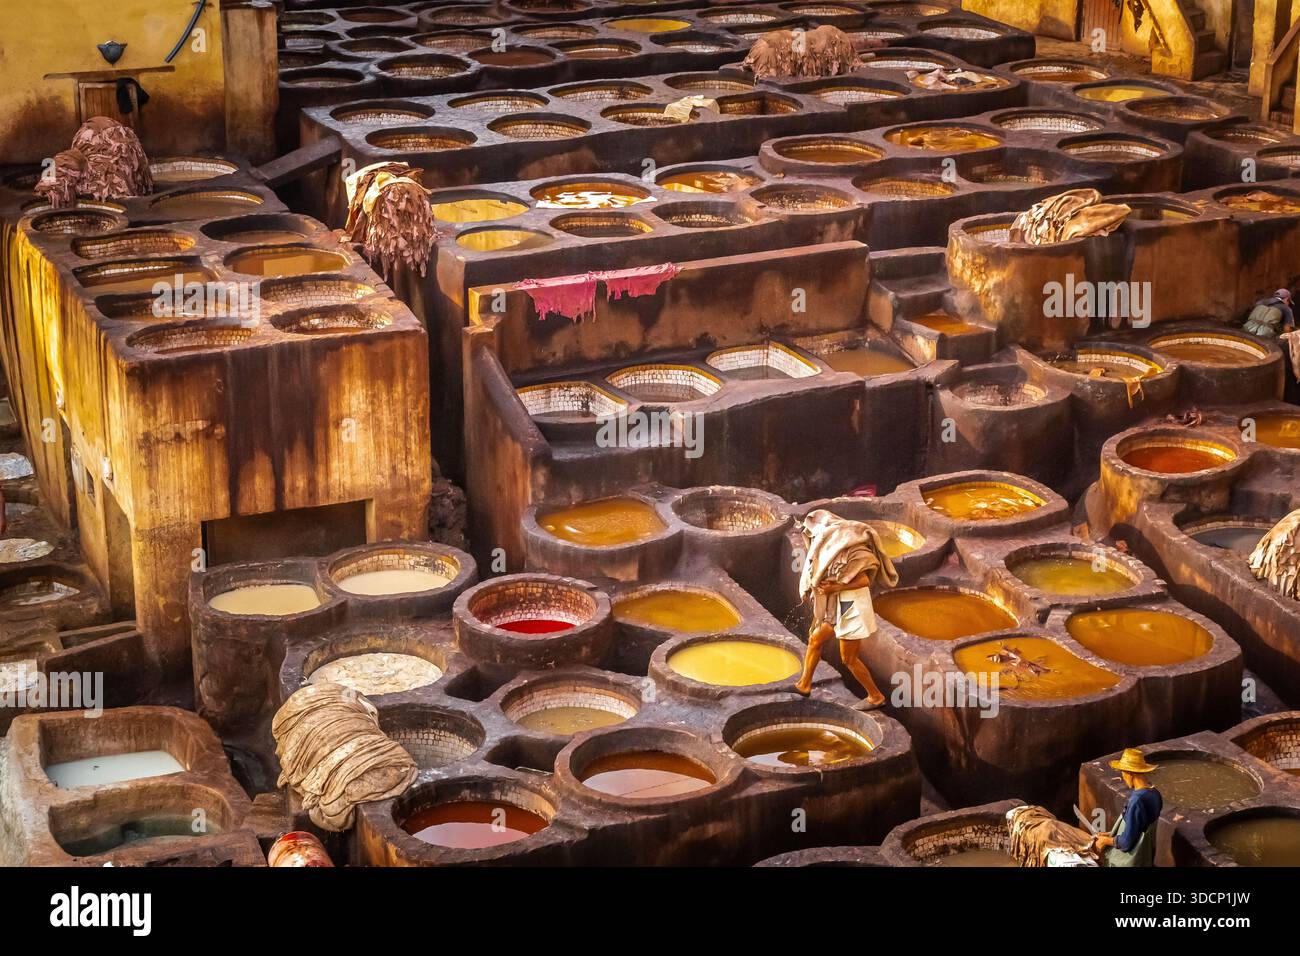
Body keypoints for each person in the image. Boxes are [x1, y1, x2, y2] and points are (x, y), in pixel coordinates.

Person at [793, 510, 898, 706]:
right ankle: (804, 684)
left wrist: (837, 586)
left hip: (853, 609)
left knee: (848, 658)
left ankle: (876, 696)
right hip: (836, 607)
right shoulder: (829, 551)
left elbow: (864, 580)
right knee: (815, 639)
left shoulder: (856, 552)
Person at [1090, 749, 1163, 867]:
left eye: (1122, 772)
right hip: (1146, 857)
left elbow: (1126, 843)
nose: (1123, 777)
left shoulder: (1137, 801)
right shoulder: (1155, 794)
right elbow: (1139, 829)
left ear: (1130, 773)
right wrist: (1109, 834)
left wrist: (1104, 841)